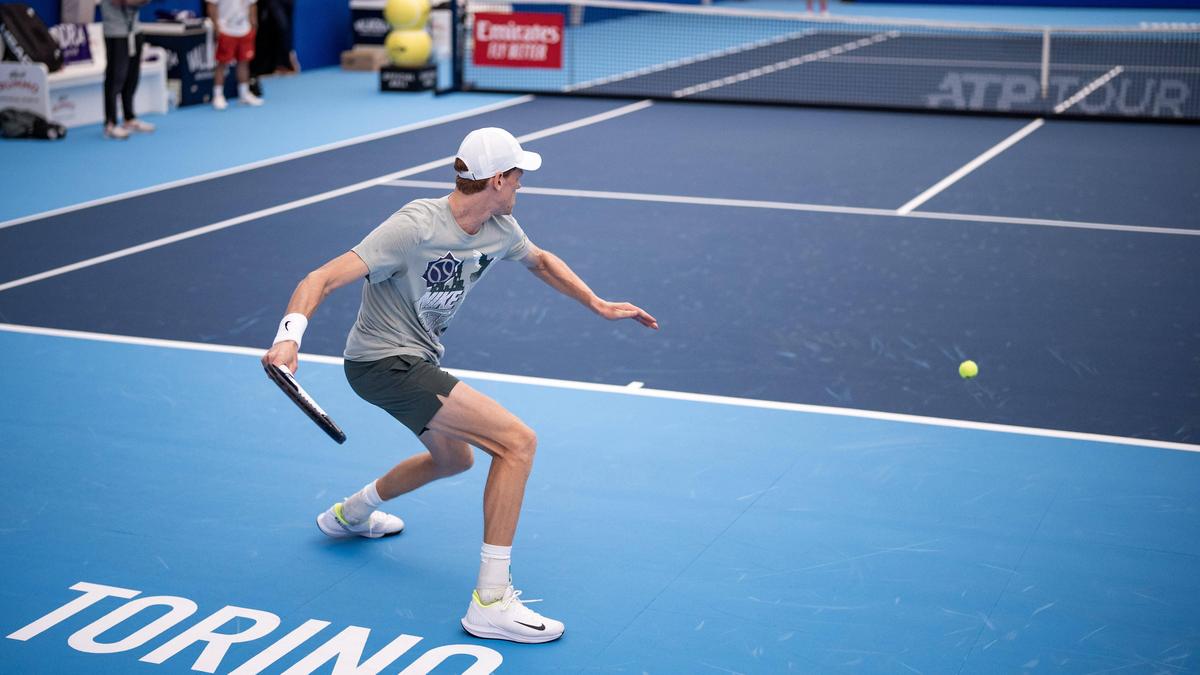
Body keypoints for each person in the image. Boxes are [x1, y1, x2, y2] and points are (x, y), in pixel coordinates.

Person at [262, 127, 658, 643]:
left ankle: (351, 514)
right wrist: (289, 338)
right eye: (517, 176)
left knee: (455, 459)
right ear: (496, 179)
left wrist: (598, 304)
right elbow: (319, 278)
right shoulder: (414, 226)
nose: (521, 186)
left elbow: (542, 261)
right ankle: (491, 603)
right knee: (517, 442)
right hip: (382, 362)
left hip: (415, 360)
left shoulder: (501, 227)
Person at [100, 0, 155, 139]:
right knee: (115, 78)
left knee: (132, 76)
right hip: (115, 32)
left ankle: (129, 118)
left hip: (135, 30)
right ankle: (110, 123)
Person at [206, 0, 263, 109]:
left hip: (244, 29)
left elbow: (252, 5)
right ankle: (218, 95)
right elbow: (211, 6)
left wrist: (253, 24)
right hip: (225, 29)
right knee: (222, 63)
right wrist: (217, 27)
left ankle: (244, 93)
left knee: (244, 63)